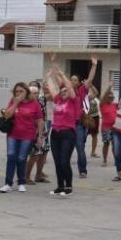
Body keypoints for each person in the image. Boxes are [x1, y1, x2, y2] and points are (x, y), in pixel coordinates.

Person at [0, 82, 44, 193]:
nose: (18, 93)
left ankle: (21, 183)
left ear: (26, 92)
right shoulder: (13, 101)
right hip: (12, 135)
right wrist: (16, 103)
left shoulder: (34, 104)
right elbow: (7, 115)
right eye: (16, 91)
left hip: (27, 136)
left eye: (21, 91)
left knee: (21, 158)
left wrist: (40, 136)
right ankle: (8, 184)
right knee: (11, 157)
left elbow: (40, 120)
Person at [45, 68, 81, 196]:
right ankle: (60, 186)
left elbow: (69, 87)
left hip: (68, 134)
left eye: (66, 90)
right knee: (57, 162)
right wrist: (49, 76)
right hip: (55, 134)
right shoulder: (57, 99)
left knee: (64, 161)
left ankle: (68, 186)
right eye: (62, 91)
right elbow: (51, 88)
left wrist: (62, 75)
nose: (64, 92)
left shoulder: (73, 101)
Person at [68, 55, 98, 178]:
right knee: (67, 148)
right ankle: (64, 168)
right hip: (68, 125)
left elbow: (90, 79)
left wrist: (94, 65)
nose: (72, 81)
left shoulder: (81, 91)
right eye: (71, 79)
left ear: (79, 82)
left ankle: (83, 170)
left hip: (79, 124)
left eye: (75, 80)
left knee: (80, 147)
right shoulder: (65, 92)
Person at [25, 82, 51, 186]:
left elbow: (53, 94)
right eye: (33, 92)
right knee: (34, 154)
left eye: (37, 92)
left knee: (43, 152)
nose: (35, 94)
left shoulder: (41, 100)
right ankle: (26, 176)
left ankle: (38, 175)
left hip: (43, 129)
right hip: (33, 130)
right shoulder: (25, 102)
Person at [99, 87, 117, 167]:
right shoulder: (102, 104)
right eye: (109, 97)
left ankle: (116, 160)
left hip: (115, 128)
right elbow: (103, 96)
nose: (111, 98)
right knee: (106, 143)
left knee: (115, 144)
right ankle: (105, 160)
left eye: (112, 97)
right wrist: (109, 87)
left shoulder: (115, 105)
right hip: (106, 127)